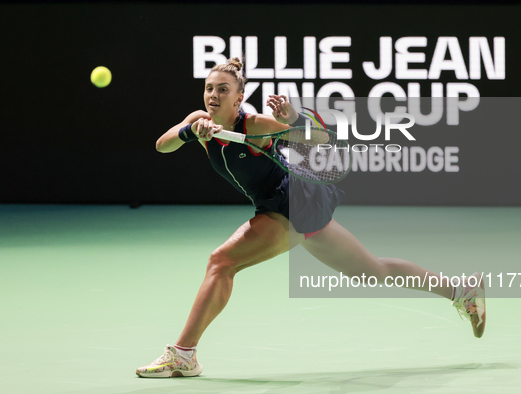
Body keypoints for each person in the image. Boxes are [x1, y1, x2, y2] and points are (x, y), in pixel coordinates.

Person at [136, 58, 486, 378]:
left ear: (239, 98)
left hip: (290, 204)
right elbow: (161, 145)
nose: (213, 95)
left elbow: (319, 139)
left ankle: (183, 354)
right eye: (209, 88)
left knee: (221, 262)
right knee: (373, 271)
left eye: (223, 90)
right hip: (285, 207)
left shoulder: (256, 125)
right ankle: (461, 291)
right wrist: (189, 132)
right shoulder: (200, 122)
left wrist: (293, 119)